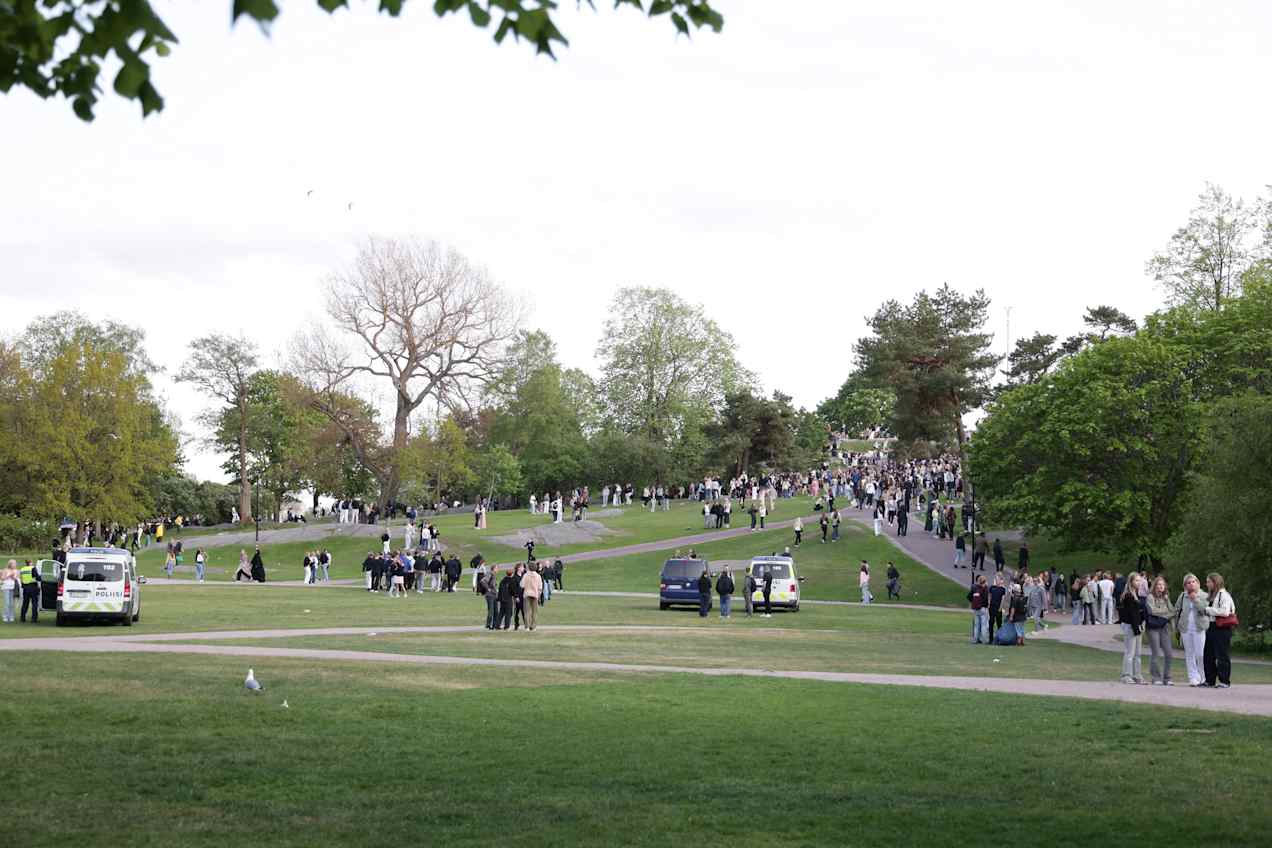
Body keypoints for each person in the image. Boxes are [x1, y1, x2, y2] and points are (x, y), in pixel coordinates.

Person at [1174, 573, 1210, 687]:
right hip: (1185, 628)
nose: (1191, 584)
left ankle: (1203, 677)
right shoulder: (1183, 596)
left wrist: (1195, 600)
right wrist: (1177, 626)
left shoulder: (1204, 595)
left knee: (1200, 654)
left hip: (1199, 628)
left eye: (1193, 582)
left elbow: (1204, 610)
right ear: (1185, 586)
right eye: (1188, 583)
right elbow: (1177, 609)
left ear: (1198, 583)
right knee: (1189, 654)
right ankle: (1193, 677)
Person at [1203, 573, 1237, 688]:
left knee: (1222, 655)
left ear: (1215, 582)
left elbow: (1225, 612)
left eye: (1208, 582)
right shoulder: (1214, 595)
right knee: (1208, 654)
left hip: (1222, 628)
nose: (1207, 584)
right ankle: (1209, 680)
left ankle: (1224, 681)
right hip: (1212, 626)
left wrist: (1208, 610)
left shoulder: (1224, 595)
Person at [1145, 576, 1175, 686]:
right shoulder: (1150, 597)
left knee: (1169, 653)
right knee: (1156, 652)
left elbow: (1172, 611)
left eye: (1162, 585)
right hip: (1153, 627)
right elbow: (1152, 611)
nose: (1161, 586)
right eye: (1158, 584)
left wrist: (1166, 609)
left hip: (1164, 627)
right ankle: (1156, 677)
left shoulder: (1166, 598)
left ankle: (1167, 678)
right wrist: (1165, 613)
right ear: (1155, 586)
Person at [1118, 575, 1146, 684]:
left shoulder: (1137, 595)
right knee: (1130, 652)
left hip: (1137, 625)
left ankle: (1137, 674)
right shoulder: (1128, 596)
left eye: (1140, 580)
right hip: (1131, 626)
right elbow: (1131, 614)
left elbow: (1139, 613)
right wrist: (1136, 628)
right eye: (1136, 580)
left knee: (1138, 653)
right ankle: (1126, 675)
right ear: (1131, 581)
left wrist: (1141, 624)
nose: (1139, 582)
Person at [520, 563, 543, 631]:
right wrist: (539, 594)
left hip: (527, 593)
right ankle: (533, 626)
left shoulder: (526, 575)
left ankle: (527, 626)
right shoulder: (538, 576)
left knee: (527, 611)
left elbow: (522, 585)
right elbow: (540, 586)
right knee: (534, 611)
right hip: (535, 594)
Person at [968, 575, 989, 644]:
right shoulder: (985, 588)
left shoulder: (974, 587)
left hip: (975, 608)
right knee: (983, 625)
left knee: (976, 625)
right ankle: (984, 639)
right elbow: (986, 598)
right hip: (983, 608)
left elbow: (969, 596)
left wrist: (973, 602)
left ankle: (975, 639)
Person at [988, 573, 1007, 642]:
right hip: (992, 607)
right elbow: (989, 596)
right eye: (996, 579)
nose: (997, 580)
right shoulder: (992, 587)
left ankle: (999, 638)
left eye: (998, 579)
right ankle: (990, 639)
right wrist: (989, 604)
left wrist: (1000, 608)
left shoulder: (1003, 589)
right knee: (991, 622)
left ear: (1001, 580)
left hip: (998, 608)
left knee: (999, 623)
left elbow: (1003, 599)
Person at [2, 559, 19, 623]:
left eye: (15, 564)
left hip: (13, 588)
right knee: (7, 603)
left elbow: (16, 578)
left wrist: (13, 577)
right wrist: (9, 575)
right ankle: (5, 616)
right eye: (13, 564)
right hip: (6, 587)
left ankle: (11, 616)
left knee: (12, 603)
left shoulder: (16, 571)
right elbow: (2, 578)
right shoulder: (5, 570)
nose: (15, 565)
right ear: (10, 564)